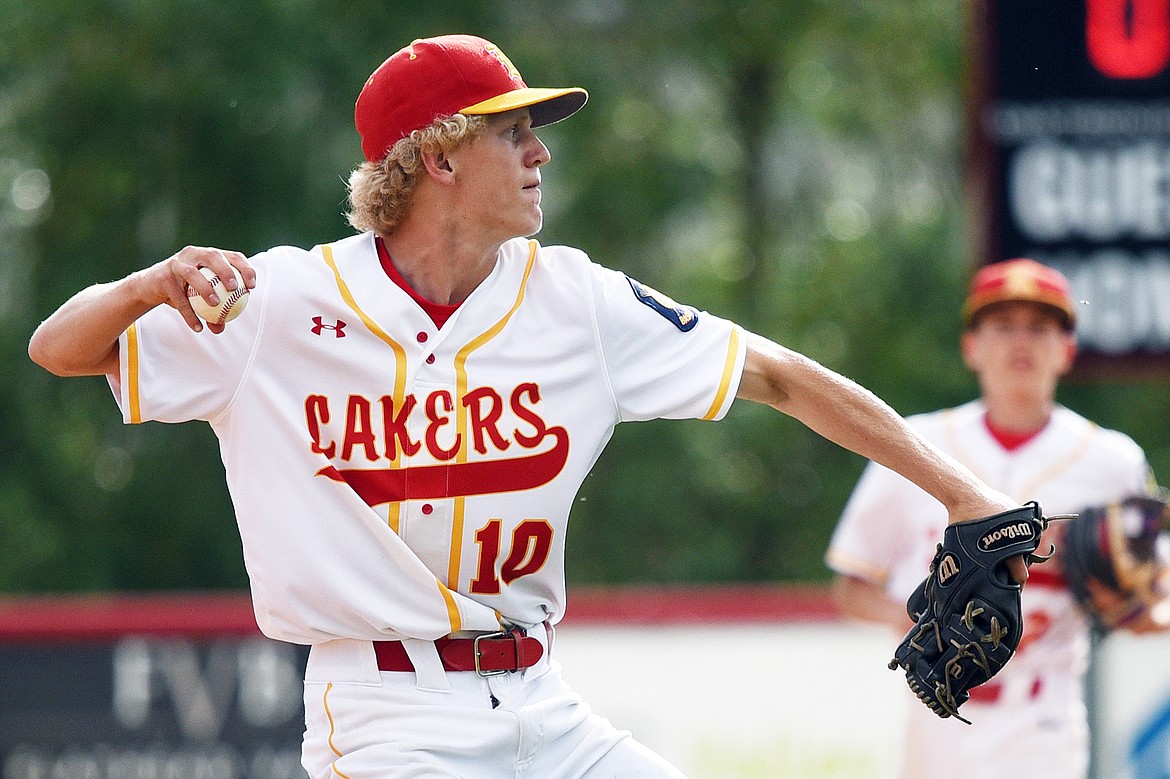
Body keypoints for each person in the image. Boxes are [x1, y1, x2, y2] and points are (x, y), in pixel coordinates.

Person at [30, 33, 1025, 779]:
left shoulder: (573, 301)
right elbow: (59, 349)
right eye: (516, 132)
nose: (541, 153)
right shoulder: (278, 304)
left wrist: (968, 492)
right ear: (441, 157)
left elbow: (777, 374)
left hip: (542, 700)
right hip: (384, 712)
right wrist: (145, 285)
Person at [825, 257, 1166, 779]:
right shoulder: (913, 444)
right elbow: (851, 585)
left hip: (1044, 714)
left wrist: (1131, 607)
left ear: (1067, 349)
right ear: (972, 346)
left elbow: (1155, 596)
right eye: (1002, 325)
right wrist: (915, 618)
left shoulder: (1112, 461)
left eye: (1040, 327)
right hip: (936, 709)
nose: (1020, 341)